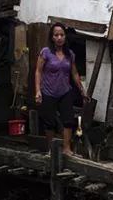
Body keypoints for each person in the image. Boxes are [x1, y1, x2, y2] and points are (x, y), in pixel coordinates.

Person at [35, 22, 88, 156]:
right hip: (48, 91)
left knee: (68, 120)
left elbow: (74, 73)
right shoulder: (46, 52)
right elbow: (38, 71)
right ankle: (51, 149)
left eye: (62, 35)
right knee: (49, 122)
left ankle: (66, 148)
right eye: (56, 35)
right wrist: (38, 90)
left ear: (65, 37)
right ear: (52, 37)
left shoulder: (70, 54)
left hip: (65, 91)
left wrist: (81, 89)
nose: (59, 38)